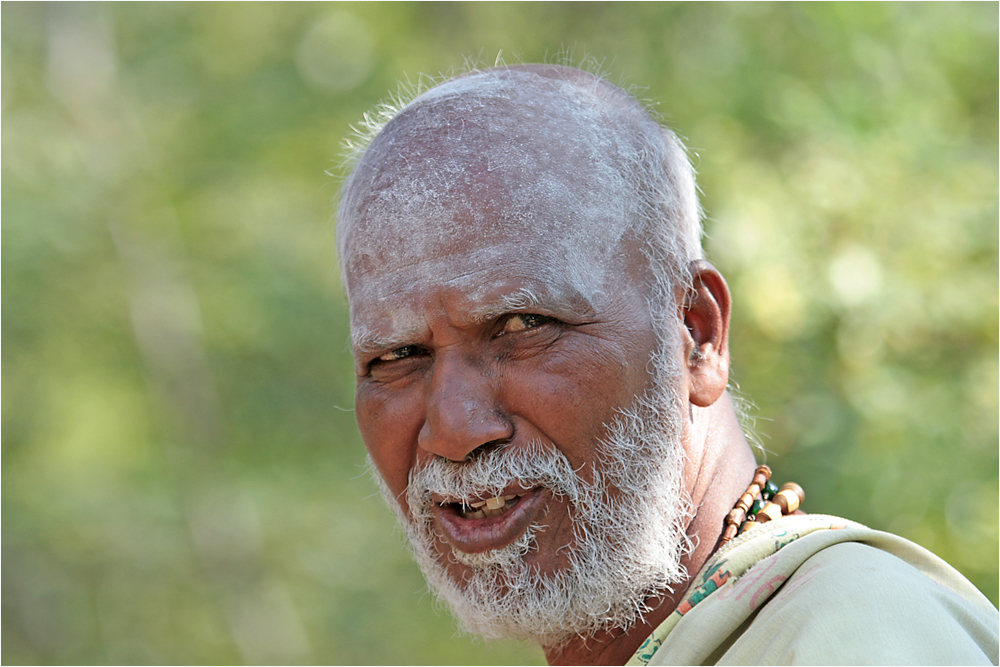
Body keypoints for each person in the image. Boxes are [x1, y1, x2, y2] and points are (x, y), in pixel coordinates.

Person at [335, 64, 998, 665]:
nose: (452, 427)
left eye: (523, 326)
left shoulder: (856, 635)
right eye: (397, 356)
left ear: (696, 333)